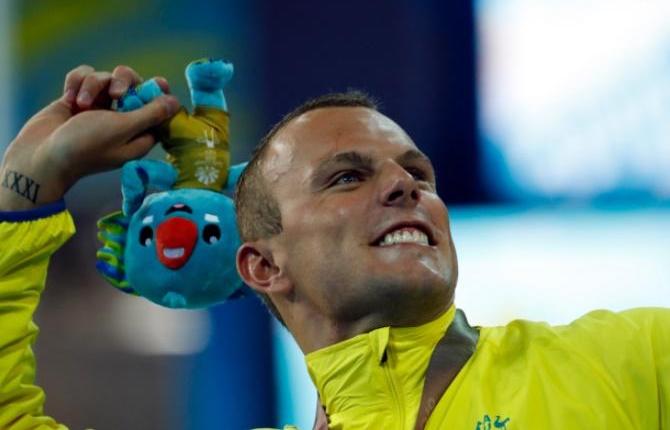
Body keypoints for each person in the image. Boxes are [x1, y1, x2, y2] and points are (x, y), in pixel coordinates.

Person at [0, 65, 668, 430]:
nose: (406, 186)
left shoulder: (630, 359)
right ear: (263, 264)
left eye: (418, 172)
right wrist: (25, 188)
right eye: (348, 176)